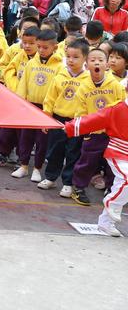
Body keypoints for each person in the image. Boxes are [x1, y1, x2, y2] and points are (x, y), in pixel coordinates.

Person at [65, 83, 128, 237]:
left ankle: (106, 223)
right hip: (118, 152)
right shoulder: (117, 109)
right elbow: (93, 120)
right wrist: (70, 127)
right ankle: (111, 203)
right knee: (126, 179)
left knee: (123, 184)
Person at [70, 48, 126, 206]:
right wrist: (85, 128)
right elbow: (80, 112)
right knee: (87, 161)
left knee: (112, 164)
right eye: (93, 60)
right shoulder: (83, 87)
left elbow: (123, 106)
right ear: (87, 65)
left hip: (113, 133)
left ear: (107, 64)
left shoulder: (115, 85)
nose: (97, 63)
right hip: (93, 133)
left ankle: (111, 189)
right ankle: (79, 188)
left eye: (101, 60)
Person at [37, 38, 90, 197]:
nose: (71, 60)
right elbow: (50, 99)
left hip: (77, 123)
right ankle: (51, 177)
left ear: (85, 59)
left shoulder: (88, 80)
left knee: (73, 153)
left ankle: (68, 183)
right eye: (69, 56)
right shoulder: (60, 75)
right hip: (58, 119)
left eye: (76, 57)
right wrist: (47, 118)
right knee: (54, 150)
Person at [0, 26, 40, 167]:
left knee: (24, 133)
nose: (27, 46)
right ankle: (2, 153)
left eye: (31, 43)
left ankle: (21, 158)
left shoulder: (40, 60)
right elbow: (9, 70)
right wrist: (16, 87)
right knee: (7, 127)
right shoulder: (19, 55)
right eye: (25, 42)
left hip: (30, 101)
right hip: (15, 97)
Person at [14, 29, 63, 181]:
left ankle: (37, 168)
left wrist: (51, 109)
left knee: (42, 141)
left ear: (54, 47)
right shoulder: (31, 64)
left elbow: (57, 90)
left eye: (45, 47)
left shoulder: (60, 67)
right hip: (30, 106)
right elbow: (23, 85)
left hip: (46, 109)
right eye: (39, 46)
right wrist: (21, 103)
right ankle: (23, 166)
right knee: (25, 137)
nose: (41, 50)